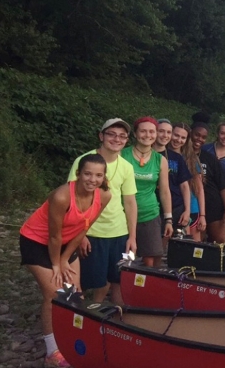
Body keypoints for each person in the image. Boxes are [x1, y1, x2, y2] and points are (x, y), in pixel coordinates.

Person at [22, 154, 112, 367]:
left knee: (74, 292)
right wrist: (57, 264)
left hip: (67, 242)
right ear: (79, 174)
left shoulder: (104, 196)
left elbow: (84, 228)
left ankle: (71, 339)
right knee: (55, 293)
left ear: (104, 177)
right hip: (37, 241)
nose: (93, 179)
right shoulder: (62, 196)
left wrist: (65, 259)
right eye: (88, 173)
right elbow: (54, 236)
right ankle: (52, 352)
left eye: (98, 175)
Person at [68, 118, 137, 305]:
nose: (117, 139)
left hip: (118, 232)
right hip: (90, 231)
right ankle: (74, 311)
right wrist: (79, 234)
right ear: (101, 136)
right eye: (111, 134)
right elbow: (71, 198)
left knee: (113, 276)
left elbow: (130, 202)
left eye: (122, 136)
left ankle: (95, 307)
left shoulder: (127, 167)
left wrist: (132, 236)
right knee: (80, 277)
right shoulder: (84, 161)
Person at [121, 117, 172, 267]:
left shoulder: (160, 160)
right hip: (123, 214)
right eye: (143, 131)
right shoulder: (123, 155)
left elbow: (164, 191)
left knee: (151, 260)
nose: (147, 135)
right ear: (135, 134)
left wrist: (168, 219)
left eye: (152, 131)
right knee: (125, 260)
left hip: (149, 213)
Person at [192, 121, 225, 243]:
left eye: (203, 137)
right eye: (196, 135)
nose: (199, 139)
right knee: (198, 242)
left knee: (220, 241)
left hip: (213, 205)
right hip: (193, 205)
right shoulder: (182, 156)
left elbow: (223, 185)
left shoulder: (209, 158)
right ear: (190, 134)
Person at [153, 119, 192, 241]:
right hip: (151, 205)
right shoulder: (145, 155)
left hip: (175, 206)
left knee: (165, 246)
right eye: (161, 131)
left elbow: (185, 186)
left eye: (168, 132)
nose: (165, 135)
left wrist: (187, 210)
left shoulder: (177, 158)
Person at [169, 122, 206, 240]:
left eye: (183, 137)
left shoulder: (190, 158)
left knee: (192, 246)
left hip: (191, 207)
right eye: (176, 135)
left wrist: (202, 215)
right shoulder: (160, 154)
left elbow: (199, 189)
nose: (178, 140)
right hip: (168, 206)